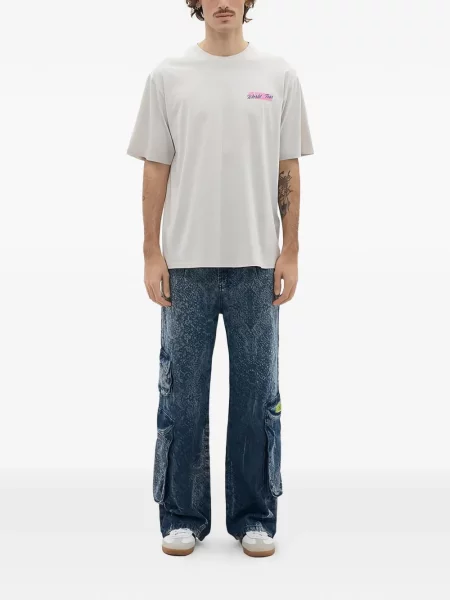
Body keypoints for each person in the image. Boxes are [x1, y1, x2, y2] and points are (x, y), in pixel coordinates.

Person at [126, 0, 314, 557]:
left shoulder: (278, 75)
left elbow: (287, 167)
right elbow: (155, 166)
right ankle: (182, 516)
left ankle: (254, 517)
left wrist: (291, 250)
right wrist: (151, 252)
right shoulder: (169, 76)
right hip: (186, 264)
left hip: (257, 263)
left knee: (256, 397)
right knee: (182, 398)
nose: (224, 2)